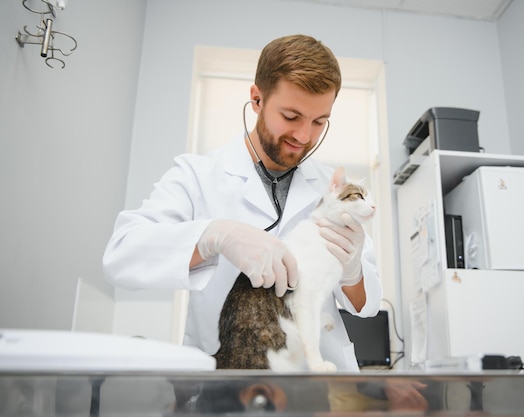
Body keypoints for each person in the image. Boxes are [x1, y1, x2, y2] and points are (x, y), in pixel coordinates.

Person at [102, 34, 383, 371]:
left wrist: (352, 270)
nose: (304, 136)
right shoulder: (198, 175)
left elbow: (366, 305)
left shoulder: (333, 189)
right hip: (229, 382)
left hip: (317, 386)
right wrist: (213, 236)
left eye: (319, 122)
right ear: (257, 99)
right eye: (291, 117)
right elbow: (121, 254)